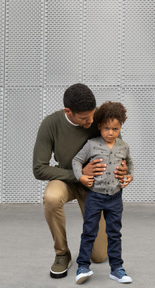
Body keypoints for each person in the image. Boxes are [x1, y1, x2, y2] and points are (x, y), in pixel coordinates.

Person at [33, 83, 128, 279]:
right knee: (51, 198)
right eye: (85, 118)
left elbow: (117, 148)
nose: (92, 121)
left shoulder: (100, 118)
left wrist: (123, 169)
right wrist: (78, 174)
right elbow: (39, 168)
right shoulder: (51, 124)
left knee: (100, 256)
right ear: (68, 111)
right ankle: (62, 254)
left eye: (93, 115)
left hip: (95, 187)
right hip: (66, 179)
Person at [72, 101, 134, 285]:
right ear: (99, 126)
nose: (110, 132)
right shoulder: (91, 144)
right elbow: (76, 160)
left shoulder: (123, 146)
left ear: (120, 127)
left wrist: (130, 176)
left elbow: (130, 163)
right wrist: (81, 177)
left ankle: (117, 269)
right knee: (89, 231)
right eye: (106, 128)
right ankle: (82, 267)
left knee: (114, 233)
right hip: (95, 196)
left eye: (115, 129)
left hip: (115, 197)